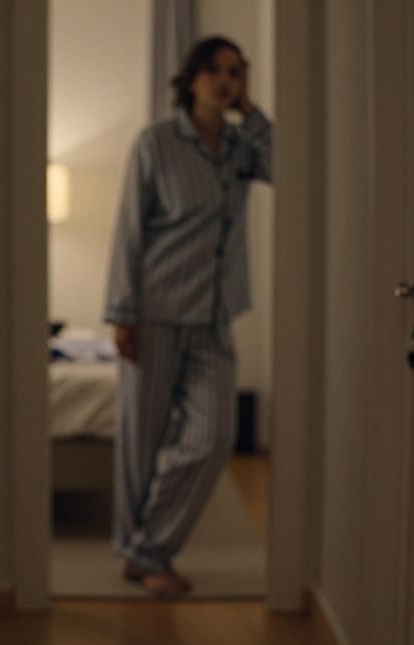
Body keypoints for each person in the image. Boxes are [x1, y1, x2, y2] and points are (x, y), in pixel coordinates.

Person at [103, 36, 272, 598]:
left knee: (214, 435)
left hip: (215, 315)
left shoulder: (242, 146)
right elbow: (129, 232)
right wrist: (122, 313)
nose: (226, 81)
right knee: (140, 438)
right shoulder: (156, 143)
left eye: (237, 72)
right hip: (154, 310)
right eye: (217, 71)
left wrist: (250, 111)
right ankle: (143, 556)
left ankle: (146, 545)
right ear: (191, 77)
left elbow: (287, 167)